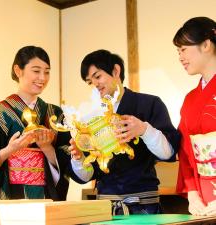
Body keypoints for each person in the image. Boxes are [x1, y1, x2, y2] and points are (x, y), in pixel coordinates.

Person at [70, 49, 181, 215]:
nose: (95, 84)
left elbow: (168, 153)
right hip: (105, 207)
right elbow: (87, 175)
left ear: (116, 71)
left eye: (98, 76)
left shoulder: (149, 103)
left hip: (144, 204)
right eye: (89, 82)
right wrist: (79, 158)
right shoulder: (92, 118)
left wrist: (144, 130)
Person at [0, 46, 77, 201]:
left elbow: (68, 159)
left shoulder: (54, 113)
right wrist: (9, 150)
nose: (42, 77)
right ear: (18, 70)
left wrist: (47, 148)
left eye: (47, 72)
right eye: (36, 71)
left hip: (45, 196)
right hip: (8, 197)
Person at [173, 16, 216, 216]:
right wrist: (191, 192)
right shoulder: (190, 99)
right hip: (203, 194)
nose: (180, 57)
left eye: (183, 49)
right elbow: (185, 149)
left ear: (206, 44)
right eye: (178, 51)